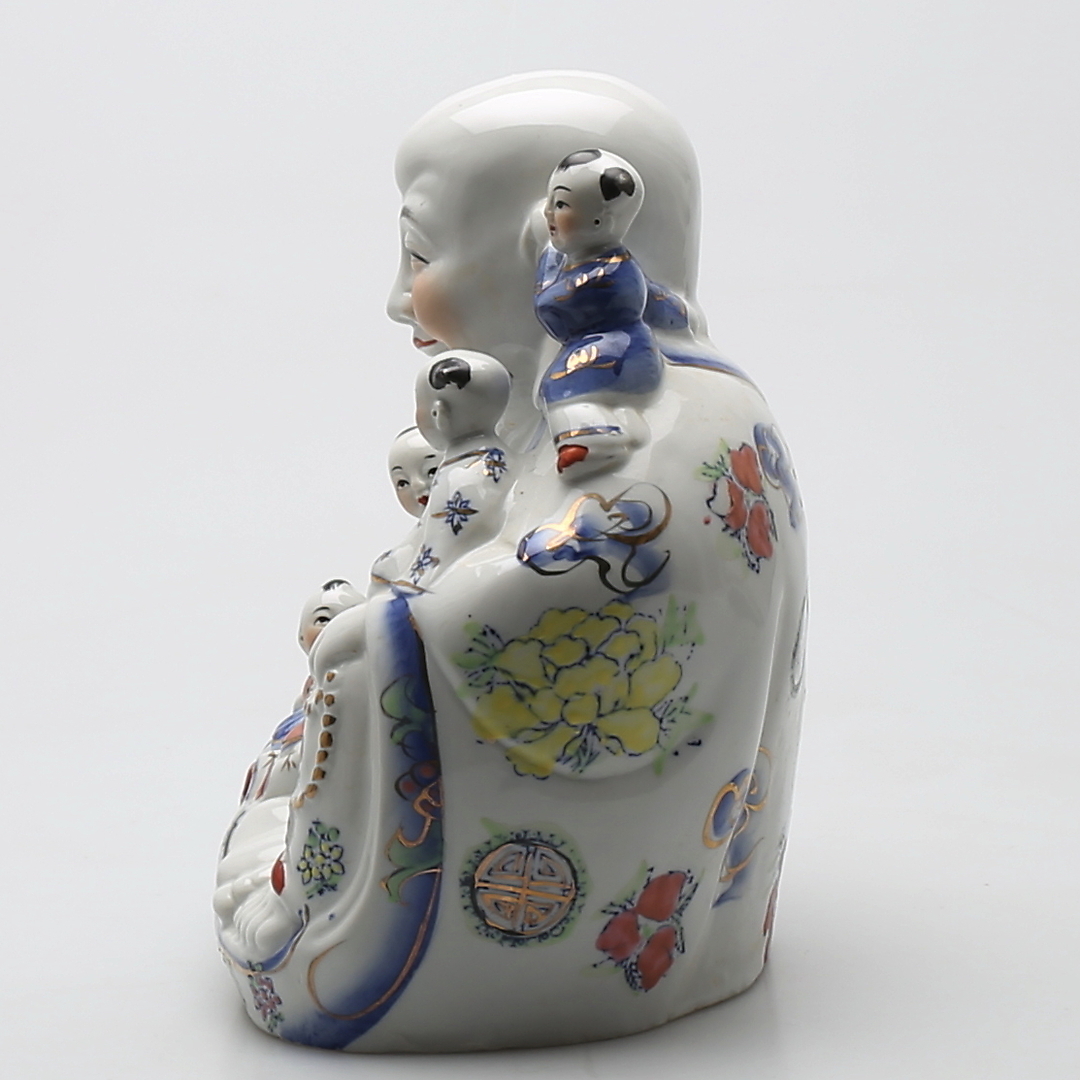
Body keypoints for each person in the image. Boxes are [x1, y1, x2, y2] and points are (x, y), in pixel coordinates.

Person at [215, 72, 807, 1053]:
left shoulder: (665, 425)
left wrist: (377, 632)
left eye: (418, 254)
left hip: (574, 896)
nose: (397, 298)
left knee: (361, 650)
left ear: (547, 236)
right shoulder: (661, 404)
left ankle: (346, 939)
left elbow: (562, 598)